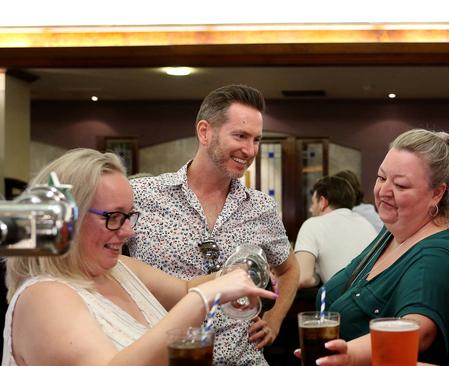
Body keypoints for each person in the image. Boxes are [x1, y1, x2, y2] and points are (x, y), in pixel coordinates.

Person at [2, 148, 277, 366]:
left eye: (129, 215)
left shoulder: (118, 268)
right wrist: (206, 298)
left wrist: (234, 276)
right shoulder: (43, 296)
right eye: (114, 217)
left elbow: (183, 289)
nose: (128, 231)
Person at [126, 84, 299, 365]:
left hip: (244, 360)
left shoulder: (261, 207)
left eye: (256, 139)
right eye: (240, 136)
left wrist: (275, 319)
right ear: (205, 132)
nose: (250, 149)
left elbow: (289, 268)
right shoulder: (142, 196)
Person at [299, 129, 449, 365]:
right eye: (381, 178)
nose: (383, 191)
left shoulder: (439, 256)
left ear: (437, 193)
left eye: (400, 185)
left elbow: (420, 331)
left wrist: (347, 354)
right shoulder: (389, 233)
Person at [294, 175, 377, 288]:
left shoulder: (313, 224)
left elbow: (303, 278)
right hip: (378, 299)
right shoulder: (366, 224)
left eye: (313, 202)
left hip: (344, 302)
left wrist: (317, 276)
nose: (311, 209)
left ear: (323, 202)